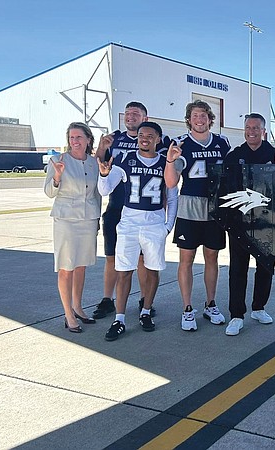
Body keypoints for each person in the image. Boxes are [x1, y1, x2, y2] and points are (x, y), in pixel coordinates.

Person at [97, 122, 177, 341]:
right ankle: (120, 319)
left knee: (152, 270)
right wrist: (104, 175)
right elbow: (104, 190)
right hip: (129, 223)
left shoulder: (165, 162)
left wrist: (168, 225)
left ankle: (146, 311)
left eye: (150, 136)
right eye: (142, 135)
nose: (145, 138)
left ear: (158, 139)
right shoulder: (124, 159)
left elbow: (172, 196)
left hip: (154, 223)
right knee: (124, 271)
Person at [92, 102, 168, 320]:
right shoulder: (113, 138)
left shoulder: (155, 141)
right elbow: (100, 167)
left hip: (144, 208)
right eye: (128, 113)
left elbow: (166, 176)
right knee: (113, 257)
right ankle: (108, 300)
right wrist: (101, 147)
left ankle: (145, 301)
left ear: (145, 118)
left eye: (136, 113)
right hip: (118, 205)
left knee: (144, 260)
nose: (131, 116)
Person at [164, 100, 230, 331]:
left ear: (210, 119)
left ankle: (210, 303)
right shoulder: (181, 143)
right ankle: (187, 308)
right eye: (195, 116)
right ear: (189, 120)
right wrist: (171, 160)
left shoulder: (222, 143)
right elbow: (171, 181)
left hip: (215, 207)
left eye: (203, 115)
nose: (199, 119)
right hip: (190, 206)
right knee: (187, 259)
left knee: (212, 257)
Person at [223, 113, 275, 336]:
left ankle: (259, 307)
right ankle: (236, 315)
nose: (251, 131)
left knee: (265, 267)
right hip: (240, 222)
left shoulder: (274, 154)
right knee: (238, 269)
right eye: (248, 127)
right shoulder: (235, 155)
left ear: (264, 131)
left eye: (256, 128)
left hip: (268, 221)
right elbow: (223, 187)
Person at [44, 122, 102, 333]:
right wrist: (57, 176)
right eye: (72, 138)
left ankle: (78, 306)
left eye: (79, 137)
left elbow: (97, 193)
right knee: (66, 267)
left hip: (88, 219)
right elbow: (49, 192)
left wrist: (97, 219)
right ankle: (68, 314)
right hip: (66, 220)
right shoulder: (58, 161)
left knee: (81, 265)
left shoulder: (94, 163)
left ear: (88, 139)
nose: (75, 141)